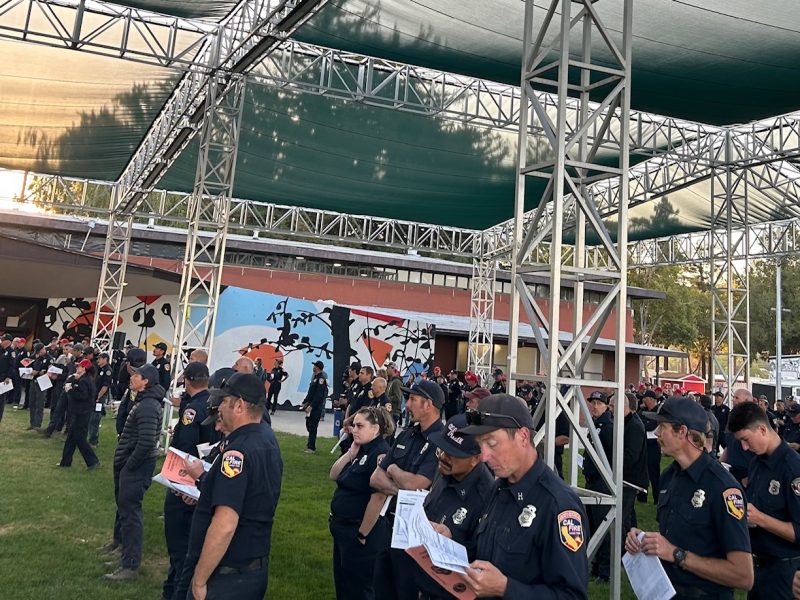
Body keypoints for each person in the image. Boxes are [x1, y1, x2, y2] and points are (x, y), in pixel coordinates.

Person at [455, 393, 589, 598]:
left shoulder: (558, 505)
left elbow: (572, 595)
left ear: (523, 437)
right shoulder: (499, 488)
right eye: (480, 445)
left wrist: (505, 588)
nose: (484, 456)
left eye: (492, 443)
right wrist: (450, 543)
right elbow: (486, 552)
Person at [625, 396, 753, 598]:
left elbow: (743, 576)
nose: (657, 433)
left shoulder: (723, 487)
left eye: (662, 427)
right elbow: (674, 536)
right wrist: (645, 540)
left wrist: (677, 554)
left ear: (682, 431)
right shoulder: (669, 476)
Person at [179, 372, 283, 600]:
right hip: (252, 567)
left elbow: (225, 524)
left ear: (239, 406)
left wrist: (200, 579)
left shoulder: (237, 452)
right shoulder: (266, 438)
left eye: (224, 402)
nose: (220, 408)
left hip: (228, 574)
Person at [369, 380, 446, 599]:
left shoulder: (440, 441)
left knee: (407, 592)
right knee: (381, 589)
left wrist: (393, 469)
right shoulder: (407, 434)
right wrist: (402, 489)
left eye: (412, 399)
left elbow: (417, 484)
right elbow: (376, 478)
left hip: (415, 536)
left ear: (428, 404)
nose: (407, 405)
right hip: (389, 527)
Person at [412, 413, 495, 599]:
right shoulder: (446, 470)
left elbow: (483, 559)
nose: (443, 456)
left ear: (476, 458)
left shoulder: (486, 498)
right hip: (424, 584)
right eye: (441, 449)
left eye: (452, 453)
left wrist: (452, 540)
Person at [728, 401, 800, 599]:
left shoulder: (792, 469)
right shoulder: (757, 462)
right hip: (758, 568)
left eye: (746, 440)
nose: (744, 447)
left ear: (761, 429)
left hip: (785, 573)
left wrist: (760, 518)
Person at [162, 361, 219, 600]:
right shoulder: (212, 404)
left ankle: (175, 590)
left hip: (186, 481)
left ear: (186, 380)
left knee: (178, 543)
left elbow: (185, 447)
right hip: (205, 476)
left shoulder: (192, 410)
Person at [103, 363, 165, 581]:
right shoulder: (143, 401)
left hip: (136, 466)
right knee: (125, 509)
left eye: (136, 375)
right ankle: (123, 551)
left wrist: (129, 465)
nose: (132, 378)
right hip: (131, 464)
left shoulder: (147, 405)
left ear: (146, 381)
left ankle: (130, 565)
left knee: (131, 513)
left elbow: (147, 442)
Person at [329, 406, 394, 600]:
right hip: (342, 529)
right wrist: (350, 453)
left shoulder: (380, 454)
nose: (354, 430)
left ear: (375, 429)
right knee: (343, 584)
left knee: (358, 588)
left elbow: (378, 497)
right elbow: (333, 474)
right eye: (354, 426)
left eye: (359, 426)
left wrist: (362, 534)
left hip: (357, 531)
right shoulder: (361, 449)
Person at [583, 390, 614, 583]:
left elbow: (610, 455)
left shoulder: (608, 427)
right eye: (592, 403)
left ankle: (605, 571)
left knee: (603, 526)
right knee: (593, 525)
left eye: (598, 403)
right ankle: (595, 566)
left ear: (606, 406)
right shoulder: (595, 424)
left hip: (602, 481)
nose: (594, 407)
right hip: (592, 479)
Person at [57, 359, 100, 470]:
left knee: (80, 439)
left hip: (81, 413)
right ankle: (65, 461)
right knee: (71, 438)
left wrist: (70, 391)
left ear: (84, 369)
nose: (77, 368)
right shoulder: (84, 379)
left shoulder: (84, 381)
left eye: (79, 366)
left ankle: (93, 461)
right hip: (79, 412)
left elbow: (83, 396)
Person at [721, 388, 755, 484]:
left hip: (747, 471)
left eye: (737, 398)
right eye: (733, 397)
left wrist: (751, 476)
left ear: (746, 401)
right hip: (731, 470)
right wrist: (719, 464)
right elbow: (729, 444)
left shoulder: (754, 419)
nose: (733, 400)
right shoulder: (732, 417)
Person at [639, 389, 662, 503]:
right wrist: (645, 423)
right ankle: (642, 497)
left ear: (652, 399)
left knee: (654, 473)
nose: (643, 400)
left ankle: (657, 498)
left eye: (646, 398)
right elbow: (639, 422)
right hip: (644, 443)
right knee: (642, 471)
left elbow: (651, 426)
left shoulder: (658, 411)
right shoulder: (643, 410)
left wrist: (645, 423)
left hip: (654, 445)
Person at [300, 360, 328, 453]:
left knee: (313, 426)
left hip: (316, 407)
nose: (313, 367)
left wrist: (312, 406)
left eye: (315, 366)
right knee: (308, 424)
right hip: (310, 405)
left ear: (318, 367)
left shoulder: (321, 379)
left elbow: (319, 395)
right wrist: (305, 402)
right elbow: (310, 392)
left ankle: (311, 447)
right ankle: (310, 444)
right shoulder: (315, 377)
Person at [27, 342, 53, 430]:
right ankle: (32, 423)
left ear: (43, 349)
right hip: (34, 381)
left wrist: (38, 372)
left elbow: (50, 371)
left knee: (39, 404)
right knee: (32, 403)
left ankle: (37, 424)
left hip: (42, 382)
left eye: (39, 351)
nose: (38, 354)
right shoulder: (37, 358)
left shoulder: (49, 359)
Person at [88, 352, 113, 447]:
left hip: (99, 397)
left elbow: (105, 386)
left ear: (105, 359)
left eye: (100, 359)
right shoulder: (99, 369)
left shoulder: (107, 370)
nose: (98, 360)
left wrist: (98, 397)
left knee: (95, 418)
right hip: (94, 395)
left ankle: (93, 441)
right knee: (90, 417)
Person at [0, 334, 14, 425]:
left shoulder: (11, 352)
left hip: (3, 379)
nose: (1, 341)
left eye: (3, 340)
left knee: (1, 401)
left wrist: (8, 377)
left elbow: (12, 366)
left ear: (8, 341)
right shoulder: (1, 349)